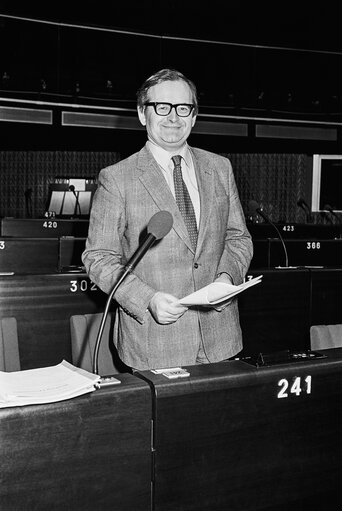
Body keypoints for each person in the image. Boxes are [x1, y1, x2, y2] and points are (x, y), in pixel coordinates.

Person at [82, 68, 253, 371]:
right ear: (141, 113)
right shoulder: (117, 179)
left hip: (222, 337)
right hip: (155, 343)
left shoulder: (220, 168)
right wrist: (147, 299)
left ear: (194, 115)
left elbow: (238, 238)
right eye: (162, 107)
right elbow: (98, 258)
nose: (174, 117)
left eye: (183, 108)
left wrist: (227, 279)